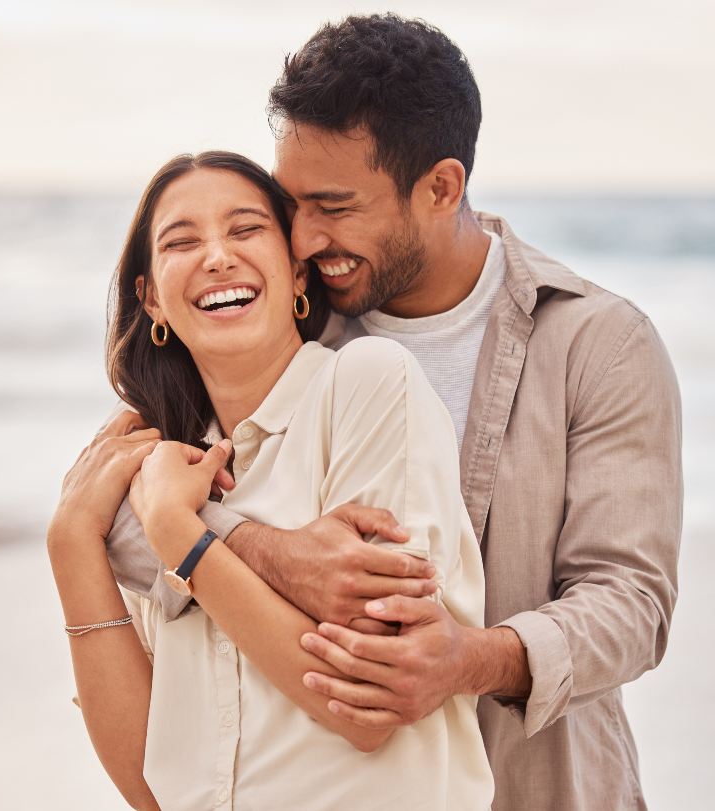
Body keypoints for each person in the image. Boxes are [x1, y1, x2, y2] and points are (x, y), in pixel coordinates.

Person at [106, 14, 683, 811]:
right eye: (291, 202)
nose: (302, 237)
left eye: (334, 206)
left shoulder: (597, 342)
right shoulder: (297, 323)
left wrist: (467, 658)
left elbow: (631, 602)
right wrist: (271, 549)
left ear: (441, 187)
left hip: (544, 788)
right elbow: (142, 520)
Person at [48, 151, 494, 810]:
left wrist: (183, 536)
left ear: (295, 273)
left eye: (246, 229)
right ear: (151, 299)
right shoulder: (160, 473)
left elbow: (365, 710)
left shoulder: (366, 383)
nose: (218, 256)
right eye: (182, 241)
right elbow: (154, 787)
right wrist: (71, 541)